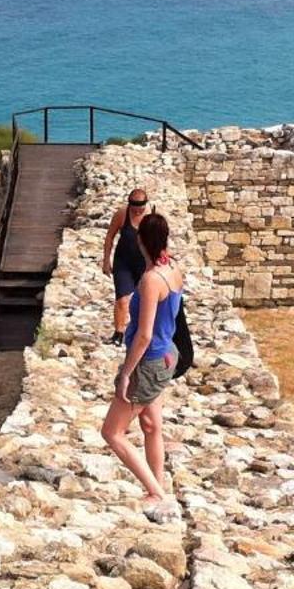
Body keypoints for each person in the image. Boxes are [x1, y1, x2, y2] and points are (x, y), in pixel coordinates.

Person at [101, 211, 186, 522]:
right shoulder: (173, 268)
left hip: (149, 362)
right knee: (151, 426)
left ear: (140, 240)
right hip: (168, 355)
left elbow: (144, 334)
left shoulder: (151, 281)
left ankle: (156, 492)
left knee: (113, 432)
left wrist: (126, 373)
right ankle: (158, 484)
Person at [100, 187, 150, 344]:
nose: (137, 212)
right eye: (134, 209)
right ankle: (118, 333)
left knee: (145, 299)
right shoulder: (122, 214)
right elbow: (110, 236)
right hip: (124, 262)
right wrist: (106, 260)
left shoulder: (152, 215)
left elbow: (160, 238)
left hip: (144, 263)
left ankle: (142, 332)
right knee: (122, 299)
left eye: (140, 209)